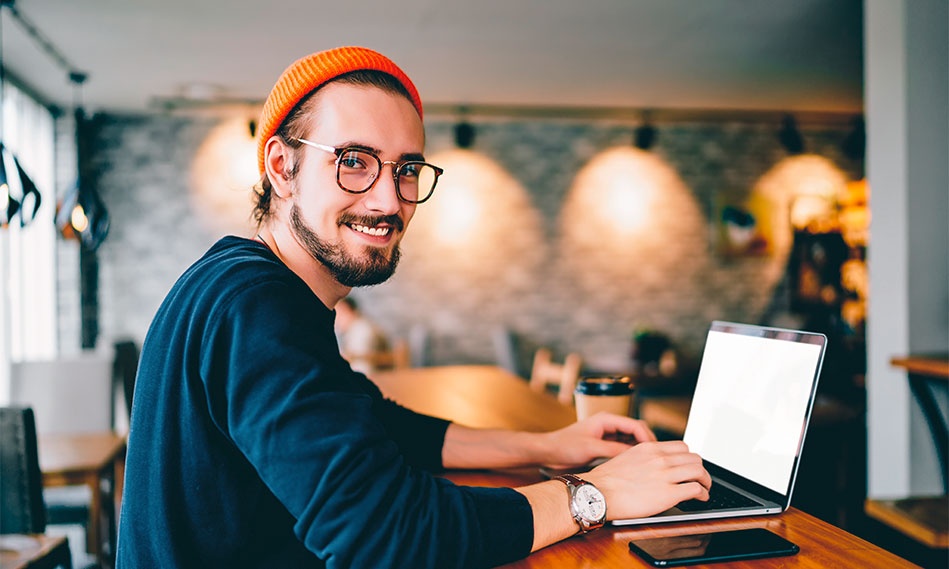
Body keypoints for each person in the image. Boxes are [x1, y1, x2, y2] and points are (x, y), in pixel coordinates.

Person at [116, 46, 710, 568]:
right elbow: (389, 537)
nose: (387, 199)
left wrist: (545, 447)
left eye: (406, 169)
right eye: (353, 160)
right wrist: (594, 495)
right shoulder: (258, 304)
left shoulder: (240, 278)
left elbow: (377, 423)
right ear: (282, 166)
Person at [334, 295, 391, 374]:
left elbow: (362, 368)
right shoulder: (359, 328)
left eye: (340, 313)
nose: (336, 319)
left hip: (376, 377)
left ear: (351, 311)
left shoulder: (361, 331)